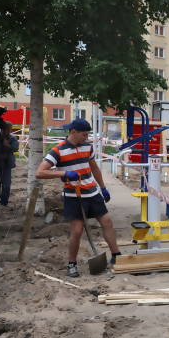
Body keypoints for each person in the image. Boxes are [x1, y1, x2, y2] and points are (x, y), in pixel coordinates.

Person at [35, 118, 121, 277]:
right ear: (73, 132)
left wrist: (103, 188)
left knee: (107, 222)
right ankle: (72, 264)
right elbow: (40, 172)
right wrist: (64, 173)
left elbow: (94, 168)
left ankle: (116, 256)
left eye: (88, 135)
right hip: (73, 195)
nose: (86, 138)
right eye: (84, 134)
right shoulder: (58, 151)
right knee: (77, 230)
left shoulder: (87, 147)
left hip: (92, 192)